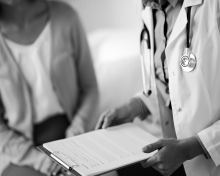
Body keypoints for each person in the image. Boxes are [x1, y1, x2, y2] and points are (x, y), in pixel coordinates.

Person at [96, 0, 220, 176]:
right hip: (167, 152)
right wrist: (135, 106)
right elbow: (170, 82)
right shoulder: (148, 8)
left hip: (207, 159)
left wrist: (190, 148)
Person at [0, 0, 99, 176]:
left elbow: (90, 88)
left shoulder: (66, 17)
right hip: (21, 151)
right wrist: (39, 160)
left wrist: (77, 134)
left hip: (74, 134)